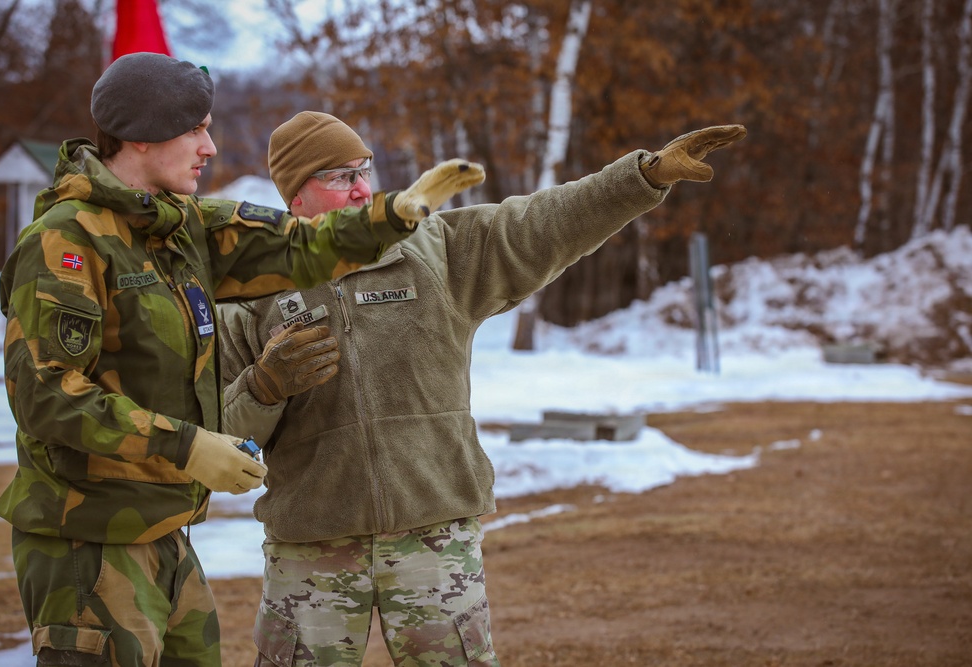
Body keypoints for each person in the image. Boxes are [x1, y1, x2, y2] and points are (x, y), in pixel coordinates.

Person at [0, 54, 483, 667]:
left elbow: (300, 247)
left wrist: (391, 215)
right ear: (142, 136)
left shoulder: (181, 227)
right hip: (86, 540)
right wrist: (189, 447)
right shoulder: (67, 240)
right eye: (194, 129)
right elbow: (47, 395)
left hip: (163, 527)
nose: (210, 146)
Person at [217, 111, 747, 666]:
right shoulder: (256, 289)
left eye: (363, 170)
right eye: (338, 176)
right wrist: (264, 387)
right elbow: (220, 431)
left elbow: (544, 223)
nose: (360, 188)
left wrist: (644, 176)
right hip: (310, 545)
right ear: (295, 195)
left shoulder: (435, 249)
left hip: (434, 537)